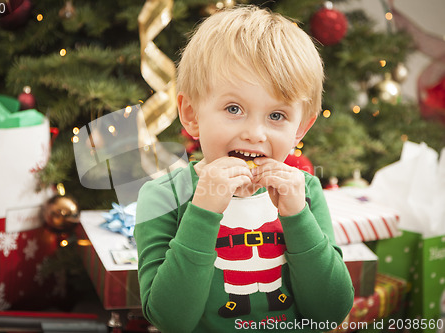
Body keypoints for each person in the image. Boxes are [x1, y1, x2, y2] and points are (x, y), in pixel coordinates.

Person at [134, 5, 354, 333]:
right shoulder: (163, 195)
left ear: (300, 130)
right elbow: (170, 319)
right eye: (234, 108)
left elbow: (331, 311)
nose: (255, 133)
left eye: (276, 115)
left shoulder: (303, 192)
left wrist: (298, 218)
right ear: (192, 115)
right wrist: (203, 210)